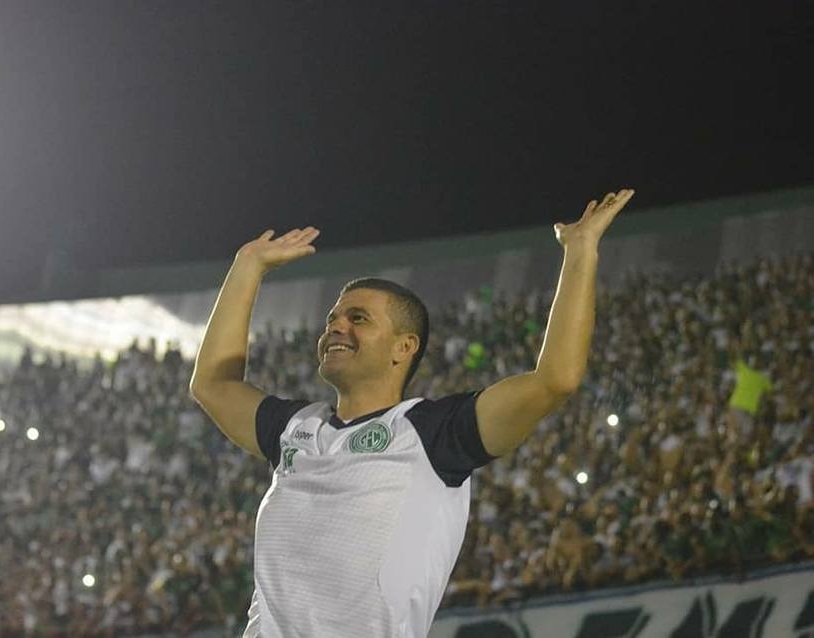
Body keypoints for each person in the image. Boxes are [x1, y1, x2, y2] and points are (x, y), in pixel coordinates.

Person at [189, 189, 635, 637]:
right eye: (331, 319)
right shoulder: (293, 429)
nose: (335, 327)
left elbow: (555, 379)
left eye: (358, 318)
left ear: (404, 347)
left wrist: (580, 250)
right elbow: (212, 385)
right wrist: (247, 267)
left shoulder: (436, 433)